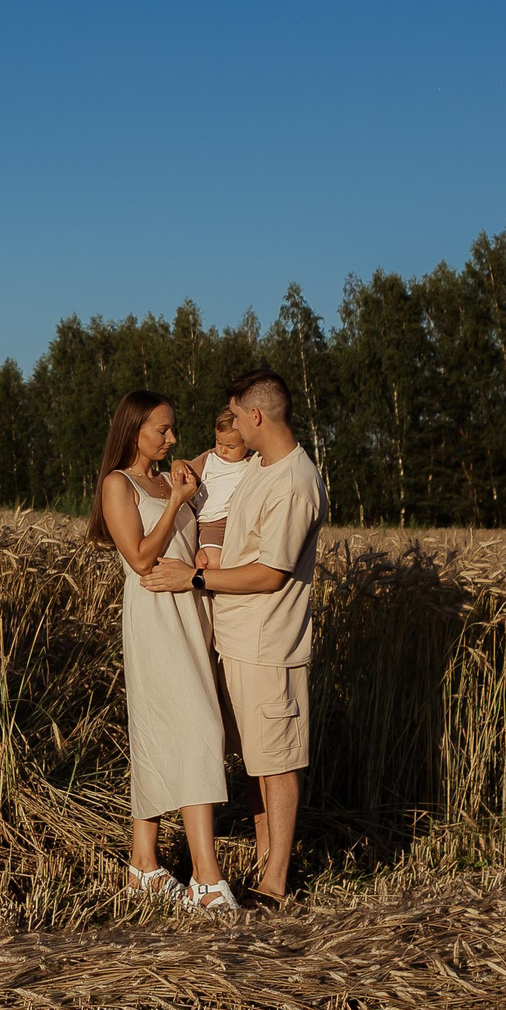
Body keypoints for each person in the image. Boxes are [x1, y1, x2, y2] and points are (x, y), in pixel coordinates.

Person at [140, 368, 326, 905]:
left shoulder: (293, 481)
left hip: (271, 646)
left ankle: (275, 885)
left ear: (257, 415)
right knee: (257, 764)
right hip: (237, 640)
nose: (235, 425)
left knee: (279, 763)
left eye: (238, 414)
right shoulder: (262, 469)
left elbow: (271, 573)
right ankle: (267, 866)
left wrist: (193, 577)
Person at [89, 390, 240, 913]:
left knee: (160, 730)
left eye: (173, 429)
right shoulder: (119, 484)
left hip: (188, 610)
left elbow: (223, 466)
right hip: (154, 613)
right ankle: (206, 879)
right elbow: (138, 558)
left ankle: (144, 866)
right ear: (134, 430)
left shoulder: (168, 479)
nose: (173, 438)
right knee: (201, 726)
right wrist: (176, 502)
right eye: (163, 430)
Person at [192, 406, 256, 569]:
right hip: (213, 522)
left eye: (231, 446)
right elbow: (188, 468)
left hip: (239, 522)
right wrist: (178, 464)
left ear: (247, 444)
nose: (222, 449)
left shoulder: (252, 463)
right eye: (218, 442)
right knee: (214, 562)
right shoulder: (210, 459)